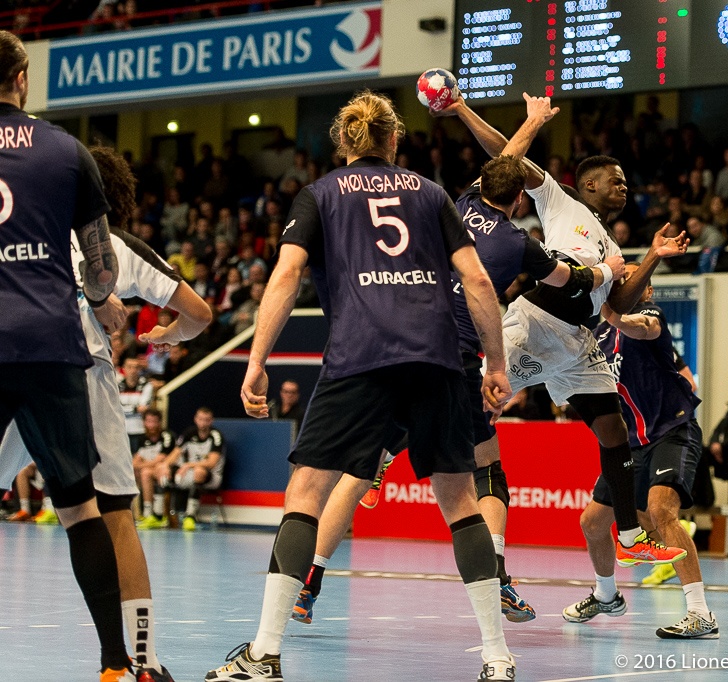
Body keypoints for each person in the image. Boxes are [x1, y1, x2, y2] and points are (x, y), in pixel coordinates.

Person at [205, 91, 518, 682]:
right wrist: (494, 364)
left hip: (360, 358)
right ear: (394, 141)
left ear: (344, 142)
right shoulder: (429, 193)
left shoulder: (319, 195)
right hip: (438, 360)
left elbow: (287, 275)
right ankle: (497, 659)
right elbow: (476, 278)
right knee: (461, 503)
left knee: (305, 495)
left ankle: (265, 655)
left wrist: (255, 360)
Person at [292, 146, 625, 626]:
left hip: (403, 337)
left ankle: (310, 584)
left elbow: (506, 161)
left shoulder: (460, 203)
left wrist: (528, 126)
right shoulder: (518, 243)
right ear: (518, 200)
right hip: (454, 361)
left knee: (357, 470)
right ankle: (497, 580)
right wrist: (609, 271)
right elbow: (573, 281)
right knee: (484, 469)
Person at [432, 92, 690, 569]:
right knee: (468, 408)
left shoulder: (611, 243)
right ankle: (390, 449)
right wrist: (465, 110)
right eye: (616, 181)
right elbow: (504, 160)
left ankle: (630, 536)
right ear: (587, 184)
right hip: (536, 324)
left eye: (626, 183)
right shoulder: (557, 198)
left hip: (579, 342)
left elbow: (616, 303)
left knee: (613, 432)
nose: (624, 187)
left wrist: (652, 258)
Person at [1, 143, 212, 682]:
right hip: (78, 372)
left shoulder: (20, 230)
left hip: (10, 358)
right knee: (113, 515)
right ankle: (139, 661)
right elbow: (200, 314)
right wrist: (166, 335)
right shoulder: (113, 246)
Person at [0, 30, 131, 681]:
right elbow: (102, 272)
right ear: (21, 78)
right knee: (80, 506)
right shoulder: (66, 151)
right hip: (50, 344)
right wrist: (96, 292)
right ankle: (113, 666)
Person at [563, 263, 718, 639]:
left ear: (645, 291)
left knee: (661, 511)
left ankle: (700, 613)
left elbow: (644, 329)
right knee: (592, 523)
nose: (625, 284)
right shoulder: (594, 335)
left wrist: (615, 315)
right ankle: (605, 595)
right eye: (621, 280)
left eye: (634, 281)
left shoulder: (647, 315)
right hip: (629, 443)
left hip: (671, 430)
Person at [143, 407, 224, 532]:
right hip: (188, 473)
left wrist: (187, 465)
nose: (203, 423)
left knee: (199, 471)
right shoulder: (189, 433)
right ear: (195, 419)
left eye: (206, 420)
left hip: (211, 476)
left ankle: (190, 516)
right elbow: (175, 453)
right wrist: (164, 466)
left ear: (211, 421)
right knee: (160, 469)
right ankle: (158, 516)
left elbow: (211, 463)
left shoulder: (216, 436)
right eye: (200, 419)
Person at [134, 408, 175, 521]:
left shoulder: (167, 436)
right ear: (144, 422)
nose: (151, 425)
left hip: (169, 472)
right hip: (150, 471)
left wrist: (144, 464)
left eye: (154, 421)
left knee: (152, 471)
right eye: (148, 421)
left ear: (159, 422)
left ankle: (158, 515)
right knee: (143, 472)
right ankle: (147, 513)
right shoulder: (142, 439)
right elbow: (135, 461)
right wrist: (143, 465)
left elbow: (161, 460)